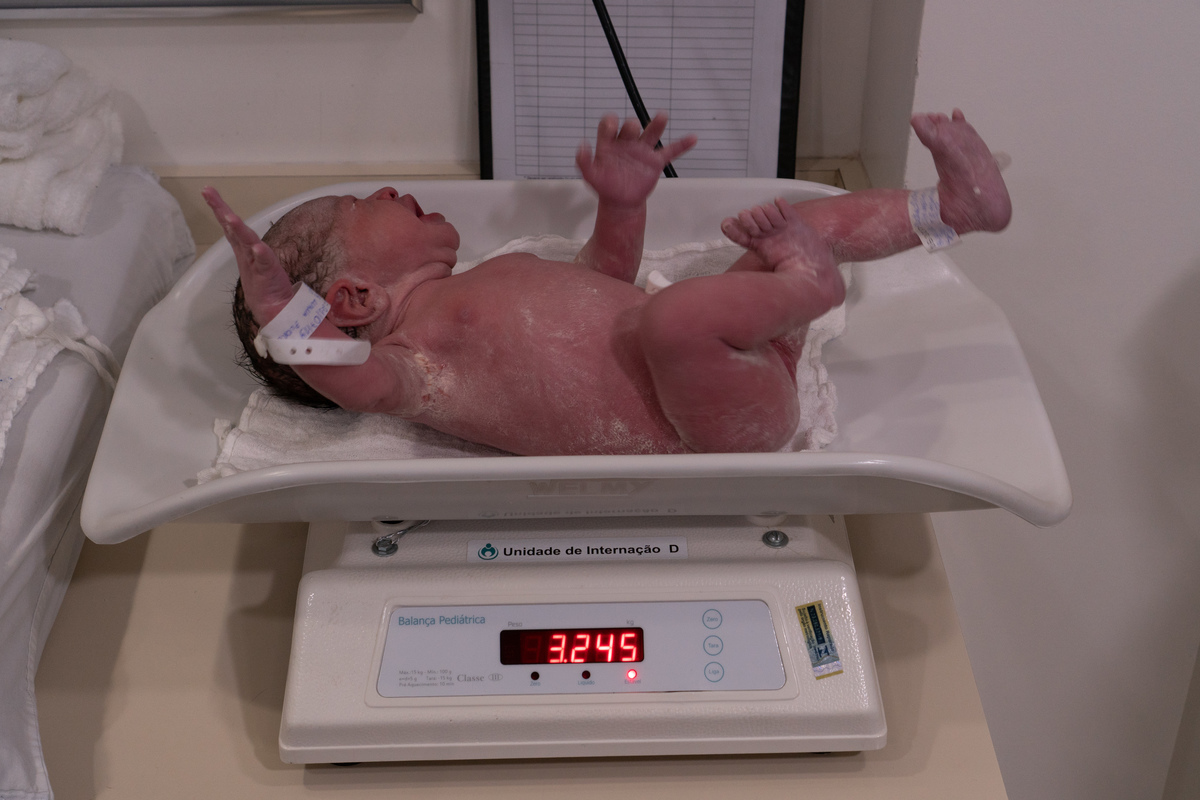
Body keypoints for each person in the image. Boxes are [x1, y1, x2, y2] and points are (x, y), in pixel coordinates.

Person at [203, 109, 1010, 457]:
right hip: (714, 423)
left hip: (728, 358)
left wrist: (623, 204)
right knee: (673, 321)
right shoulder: (414, 366)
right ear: (353, 300)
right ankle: (811, 288)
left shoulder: (499, 273)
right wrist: (283, 317)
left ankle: (949, 208)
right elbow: (350, 378)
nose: (383, 189)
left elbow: (603, 281)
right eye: (358, 206)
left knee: (802, 220)